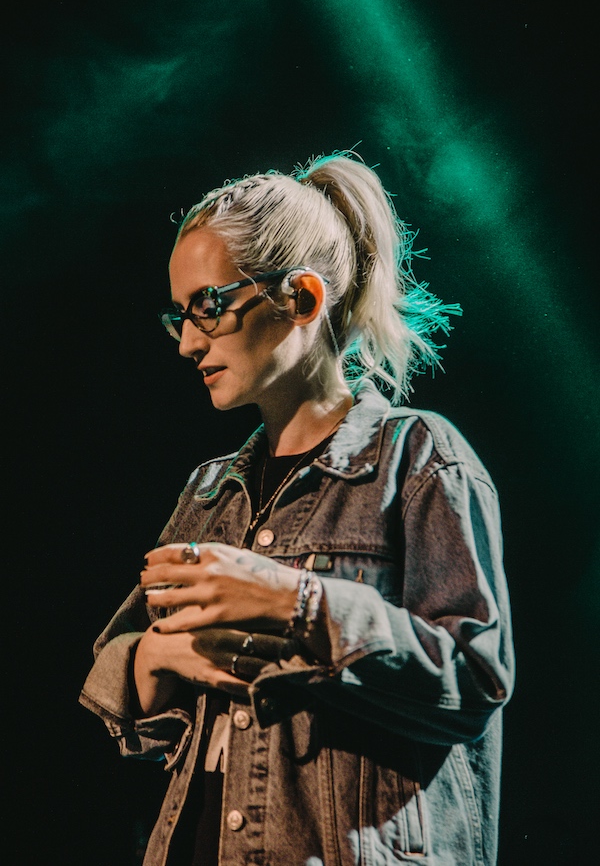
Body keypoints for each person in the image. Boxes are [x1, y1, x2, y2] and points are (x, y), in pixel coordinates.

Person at [79, 150, 515, 866]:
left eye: (209, 306)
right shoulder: (210, 489)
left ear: (303, 299)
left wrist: (294, 602)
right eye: (178, 317)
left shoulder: (420, 458)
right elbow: (121, 692)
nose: (189, 342)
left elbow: (476, 678)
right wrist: (159, 655)